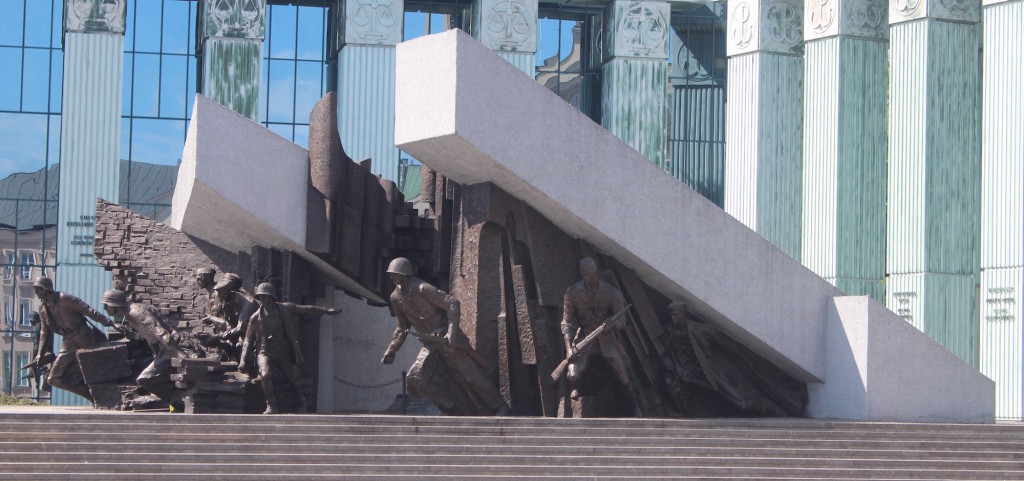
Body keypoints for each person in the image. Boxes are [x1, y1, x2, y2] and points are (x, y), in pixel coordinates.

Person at [380, 257, 508, 415]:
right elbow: (402, 327)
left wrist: (451, 333)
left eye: (395, 273)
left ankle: (499, 406)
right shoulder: (396, 298)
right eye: (391, 274)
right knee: (415, 377)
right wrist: (391, 350)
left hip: (447, 338)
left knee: (470, 376)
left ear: (404, 274)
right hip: (429, 343)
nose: (392, 277)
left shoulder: (422, 288)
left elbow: (452, 303)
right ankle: (451, 409)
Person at [241, 282, 341, 414]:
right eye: (260, 297)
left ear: (271, 297)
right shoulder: (255, 318)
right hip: (265, 352)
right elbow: (248, 339)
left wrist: (325, 310)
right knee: (265, 375)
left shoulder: (284, 309)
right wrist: (243, 360)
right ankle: (271, 405)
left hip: (283, 351)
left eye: (264, 296)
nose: (261, 299)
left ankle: (300, 401)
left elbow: (304, 309)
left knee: (293, 379)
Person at [31, 276, 119, 402]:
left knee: (96, 372)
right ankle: (92, 397)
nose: (36, 293)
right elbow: (45, 332)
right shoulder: (43, 309)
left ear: (45, 289)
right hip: (68, 342)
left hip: (85, 338)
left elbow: (88, 310)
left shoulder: (64, 298)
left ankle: (106, 395)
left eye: (37, 289)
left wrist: (109, 323)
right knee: (53, 378)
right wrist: (40, 354)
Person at [101, 289, 193, 404]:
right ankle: (176, 401)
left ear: (114, 304)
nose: (105, 308)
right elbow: (149, 337)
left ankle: (179, 401)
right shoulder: (129, 315)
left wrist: (182, 356)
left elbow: (160, 332)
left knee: (146, 379)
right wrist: (132, 336)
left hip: (176, 347)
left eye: (106, 305)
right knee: (146, 380)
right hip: (166, 350)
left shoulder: (136, 312)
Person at [560, 258, 633, 399]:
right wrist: (569, 348)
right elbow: (567, 323)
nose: (586, 277)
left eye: (589, 274)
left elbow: (622, 321)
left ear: (595, 272)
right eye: (583, 274)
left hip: (607, 338)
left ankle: (632, 402)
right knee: (573, 374)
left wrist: (612, 325)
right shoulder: (572, 293)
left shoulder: (611, 292)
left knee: (622, 371)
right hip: (584, 338)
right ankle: (580, 388)